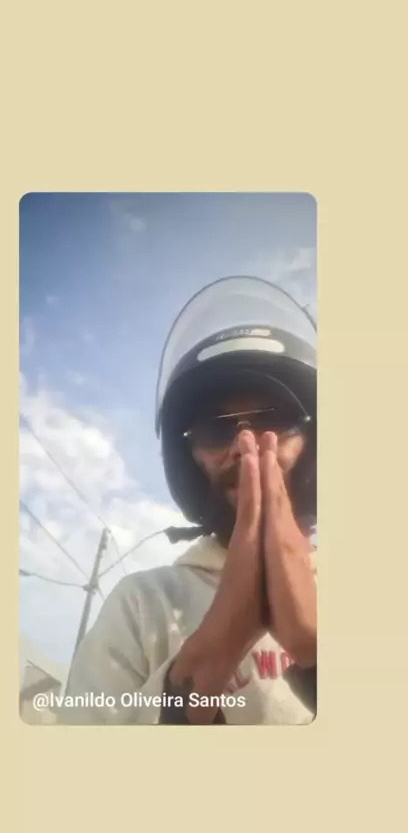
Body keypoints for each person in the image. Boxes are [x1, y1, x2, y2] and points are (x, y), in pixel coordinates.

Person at [60, 277, 317, 725]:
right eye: (217, 429)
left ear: (313, 442)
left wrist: (315, 650)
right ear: (189, 459)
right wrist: (209, 656)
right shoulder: (142, 604)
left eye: (273, 420)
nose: (245, 447)